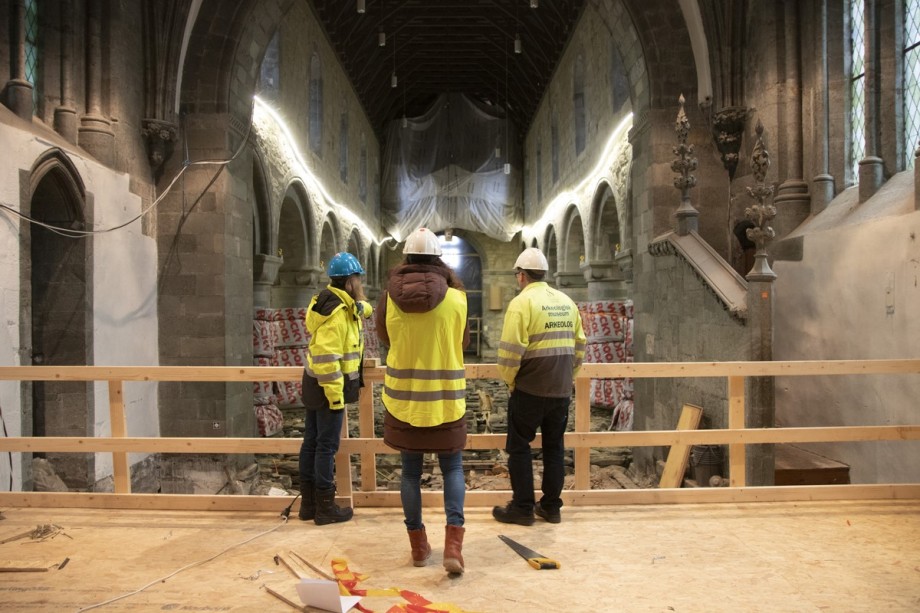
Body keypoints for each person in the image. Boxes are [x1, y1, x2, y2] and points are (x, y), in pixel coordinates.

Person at [377, 227, 471, 574]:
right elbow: (463, 343)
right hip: (446, 401)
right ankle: (453, 549)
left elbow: (384, 338)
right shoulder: (459, 298)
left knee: (410, 474)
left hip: (404, 401)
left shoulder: (388, 297)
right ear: (438, 259)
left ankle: (418, 548)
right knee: (453, 469)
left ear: (406, 258)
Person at [492, 247, 586, 526]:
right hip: (560, 389)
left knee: (519, 447)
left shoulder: (522, 303)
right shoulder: (567, 301)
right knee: (554, 448)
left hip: (529, 388)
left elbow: (510, 352)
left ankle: (522, 508)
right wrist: (569, 376)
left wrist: (510, 382)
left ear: (521, 276)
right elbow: (580, 344)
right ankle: (551, 508)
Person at [298, 252, 373, 525]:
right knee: (325, 447)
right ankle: (325, 508)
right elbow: (327, 358)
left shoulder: (327, 302)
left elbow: (361, 308)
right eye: (359, 279)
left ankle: (308, 505)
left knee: (312, 443)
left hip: (314, 385)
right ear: (350, 281)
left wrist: (364, 307)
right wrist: (335, 397)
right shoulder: (337, 315)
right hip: (328, 388)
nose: (361, 284)